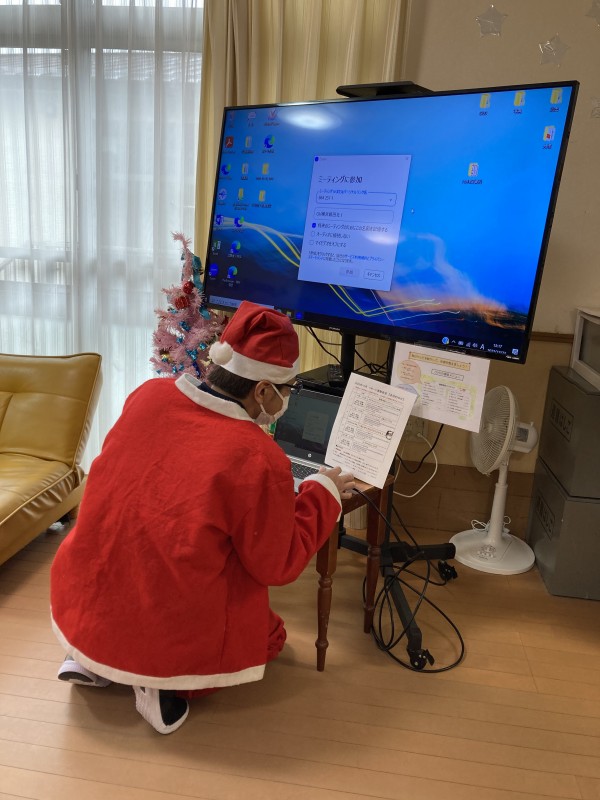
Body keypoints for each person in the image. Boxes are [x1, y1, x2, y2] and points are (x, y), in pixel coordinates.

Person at [50, 300, 354, 734]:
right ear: (263, 391)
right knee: (270, 635)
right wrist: (323, 493)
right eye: (286, 391)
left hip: (86, 586)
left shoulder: (149, 394)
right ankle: (161, 684)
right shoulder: (257, 455)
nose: (285, 400)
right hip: (168, 617)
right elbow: (277, 564)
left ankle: (89, 654)